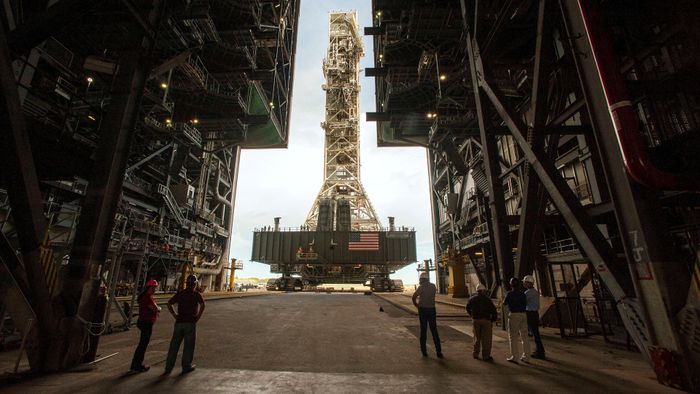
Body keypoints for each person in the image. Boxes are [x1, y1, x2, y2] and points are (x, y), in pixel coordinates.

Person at [164, 274, 205, 374]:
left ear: (187, 284)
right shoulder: (196, 294)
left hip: (179, 323)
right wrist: (198, 317)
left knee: (174, 346)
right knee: (188, 346)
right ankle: (186, 366)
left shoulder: (180, 293)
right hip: (190, 323)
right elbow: (203, 305)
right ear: (195, 284)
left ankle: (168, 368)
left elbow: (169, 303)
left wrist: (175, 315)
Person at [130, 279, 161, 372]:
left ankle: (136, 364)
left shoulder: (146, 296)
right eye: (154, 287)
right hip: (146, 323)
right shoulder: (148, 298)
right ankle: (137, 365)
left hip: (143, 321)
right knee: (143, 345)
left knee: (142, 344)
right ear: (150, 287)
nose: (155, 289)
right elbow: (155, 309)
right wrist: (159, 308)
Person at [411, 272, 443, 358]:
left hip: (423, 310)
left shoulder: (421, 287)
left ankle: (424, 351)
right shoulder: (433, 286)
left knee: (423, 330)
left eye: (420, 279)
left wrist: (417, 305)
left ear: (422, 279)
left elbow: (413, 297)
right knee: (434, 331)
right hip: (432, 310)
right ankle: (439, 351)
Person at [466, 283, 497, 361]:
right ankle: (486, 356)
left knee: (476, 338)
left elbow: (467, 308)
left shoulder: (472, 299)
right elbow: (493, 311)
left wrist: (472, 315)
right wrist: (492, 320)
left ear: (477, 291)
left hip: (476, 320)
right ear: (483, 291)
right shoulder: (488, 300)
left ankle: (475, 354)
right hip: (486, 320)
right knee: (486, 339)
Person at [503, 277, 530, 363]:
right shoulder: (523, 294)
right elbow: (526, 303)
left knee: (513, 337)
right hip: (523, 314)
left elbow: (505, 303)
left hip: (514, 315)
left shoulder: (509, 294)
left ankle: (515, 357)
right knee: (525, 337)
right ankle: (526, 357)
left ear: (511, 285)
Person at [523, 275, 546, 359]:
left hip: (530, 314)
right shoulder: (535, 292)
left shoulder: (528, 293)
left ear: (529, 283)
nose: (523, 284)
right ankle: (539, 350)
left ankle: (540, 352)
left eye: (525, 282)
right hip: (535, 313)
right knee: (535, 333)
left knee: (535, 334)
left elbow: (523, 302)